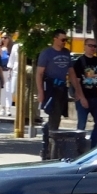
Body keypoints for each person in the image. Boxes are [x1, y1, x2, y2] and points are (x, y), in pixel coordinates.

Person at [34, 29, 83, 158]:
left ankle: (49, 144)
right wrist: (40, 92)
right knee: (54, 116)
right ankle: (48, 148)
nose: (64, 42)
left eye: (65, 40)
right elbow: (39, 73)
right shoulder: (47, 53)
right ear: (55, 39)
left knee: (57, 117)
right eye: (62, 40)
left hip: (62, 88)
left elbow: (71, 73)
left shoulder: (66, 53)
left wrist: (77, 90)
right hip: (50, 88)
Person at [73, 38, 97, 148]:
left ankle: (92, 146)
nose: (93, 48)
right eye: (90, 45)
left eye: (95, 46)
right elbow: (77, 82)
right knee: (81, 126)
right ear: (84, 47)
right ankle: (79, 147)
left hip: (96, 98)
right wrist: (82, 98)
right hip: (83, 97)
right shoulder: (79, 62)